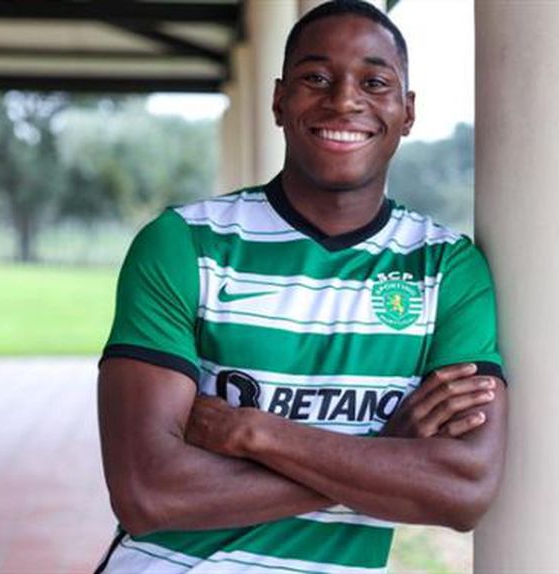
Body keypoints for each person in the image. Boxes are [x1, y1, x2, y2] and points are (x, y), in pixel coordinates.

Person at [95, 1, 507, 572]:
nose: (344, 100)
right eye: (315, 78)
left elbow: (463, 492)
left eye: (375, 82)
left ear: (407, 111)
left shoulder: (447, 269)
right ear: (278, 100)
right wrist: (385, 454)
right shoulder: (185, 243)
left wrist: (255, 433)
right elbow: (147, 491)